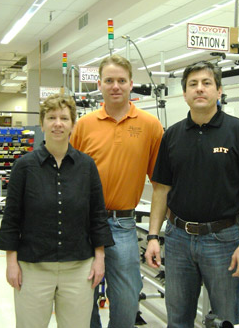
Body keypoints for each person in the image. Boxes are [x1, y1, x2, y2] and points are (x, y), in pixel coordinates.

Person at [144, 60, 239, 326]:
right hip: (178, 239)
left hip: (223, 240)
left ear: (219, 91)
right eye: (192, 84)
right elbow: (161, 190)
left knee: (225, 319)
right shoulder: (171, 136)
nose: (199, 89)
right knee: (178, 318)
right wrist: (152, 237)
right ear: (184, 94)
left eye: (206, 83)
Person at [0, 94, 115, 328]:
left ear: (73, 124)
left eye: (64, 118)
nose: (57, 123)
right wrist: (11, 262)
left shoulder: (86, 166)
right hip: (32, 268)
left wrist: (99, 259)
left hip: (79, 269)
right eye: (51, 117)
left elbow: (97, 216)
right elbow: (11, 218)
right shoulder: (24, 166)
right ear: (42, 124)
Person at [70, 54, 164, 328]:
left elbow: (160, 184)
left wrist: (156, 233)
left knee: (126, 299)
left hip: (122, 225)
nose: (115, 86)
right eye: (109, 80)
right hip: (84, 223)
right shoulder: (84, 126)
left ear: (131, 84)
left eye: (121, 81)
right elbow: (67, 179)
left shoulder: (150, 126)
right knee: (82, 300)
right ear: (99, 84)